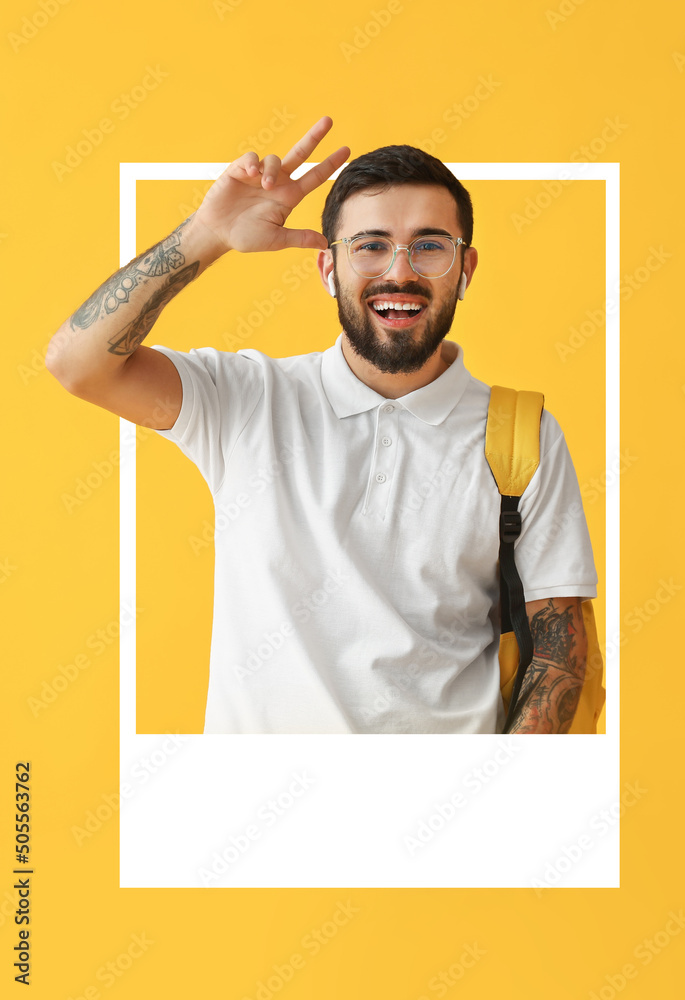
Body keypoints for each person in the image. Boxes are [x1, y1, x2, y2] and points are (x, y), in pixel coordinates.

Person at [46, 115, 597, 735]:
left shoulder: (524, 433)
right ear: (328, 268)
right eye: (370, 244)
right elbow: (77, 363)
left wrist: (494, 806)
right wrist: (207, 234)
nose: (399, 271)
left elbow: (559, 653)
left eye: (429, 244)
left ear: (464, 269)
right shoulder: (247, 399)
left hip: (444, 812)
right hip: (256, 819)